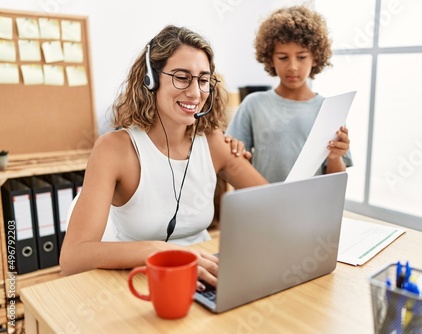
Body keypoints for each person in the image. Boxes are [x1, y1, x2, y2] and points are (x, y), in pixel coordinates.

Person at [59, 25, 268, 290]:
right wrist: (158, 250)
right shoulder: (115, 149)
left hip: (202, 276)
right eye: (182, 77)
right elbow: (73, 257)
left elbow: (274, 206)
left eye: (203, 80)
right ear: (151, 80)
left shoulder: (213, 142)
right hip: (136, 280)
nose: (195, 93)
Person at [226, 5, 353, 183]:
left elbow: (334, 182)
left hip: (309, 205)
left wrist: (335, 157)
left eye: (301, 57)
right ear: (270, 58)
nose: (292, 66)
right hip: (264, 204)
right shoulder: (253, 104)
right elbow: (231, 158)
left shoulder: (329, 111)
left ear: (315, 57)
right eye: (283, 57)